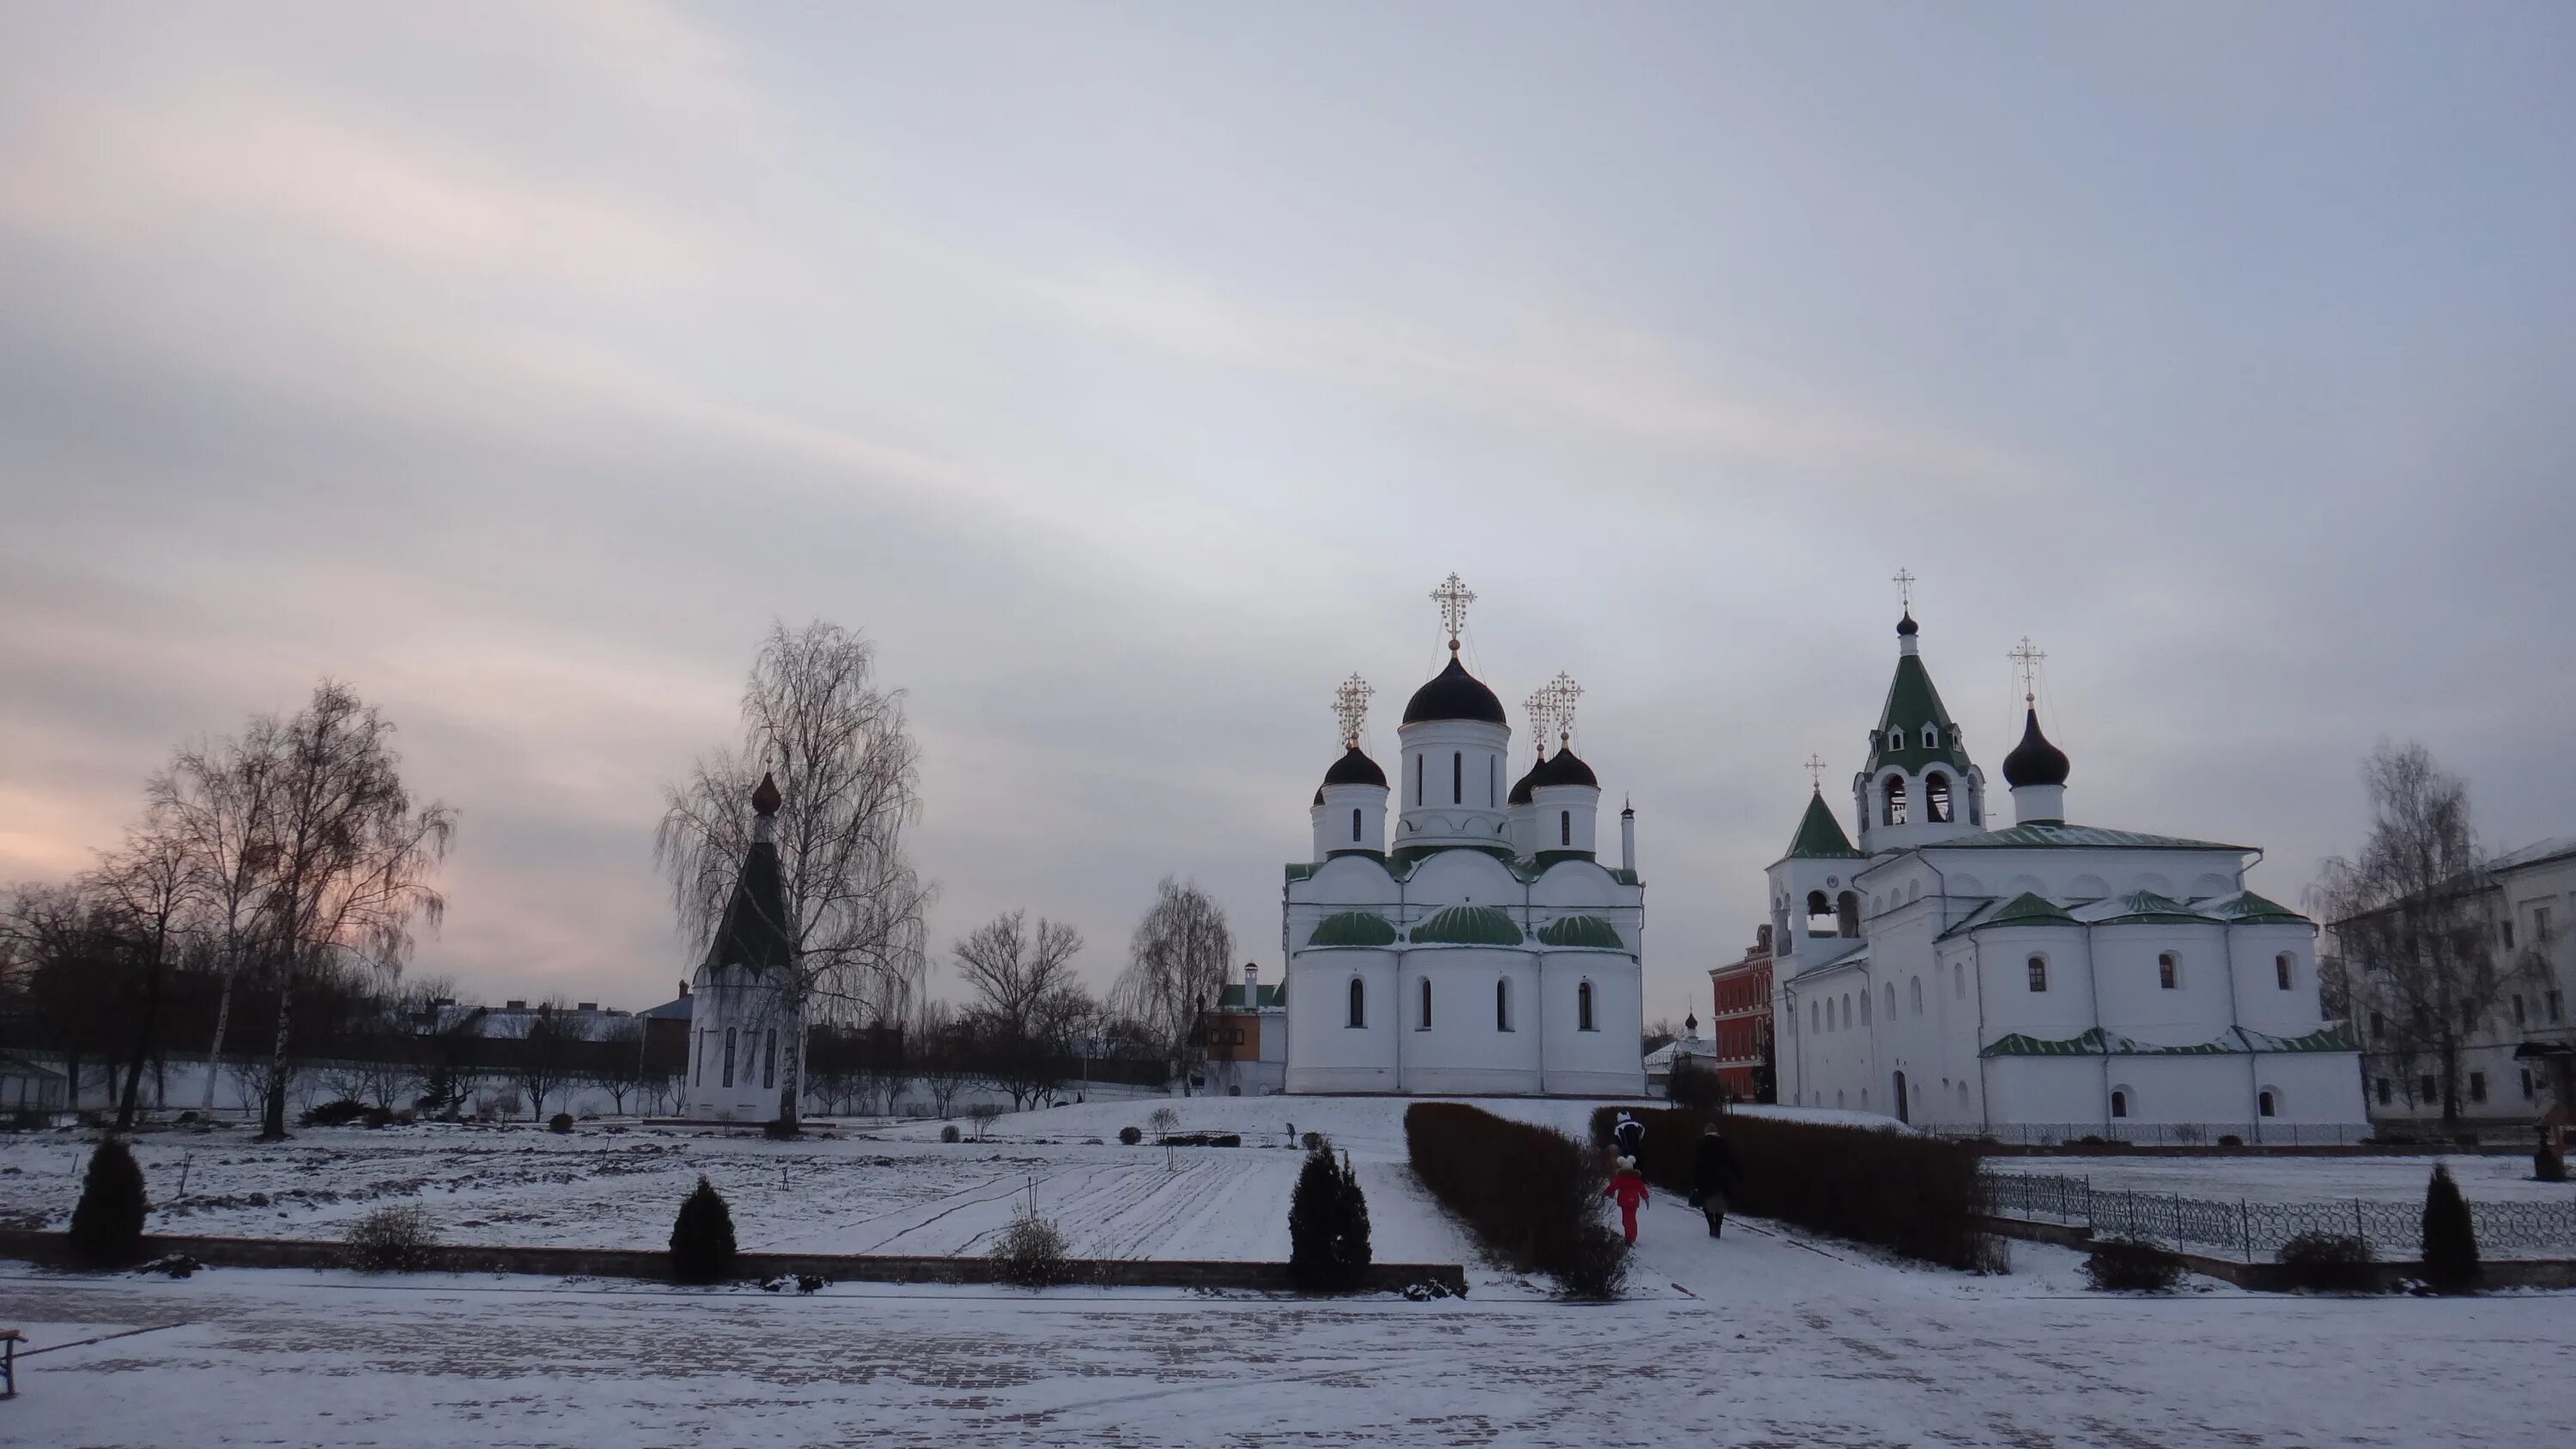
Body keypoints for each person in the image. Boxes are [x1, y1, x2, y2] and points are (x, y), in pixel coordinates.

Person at [1691, 1125, 1741, 1238]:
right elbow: (1732, 1161)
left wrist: (1695, 1183)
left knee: (1706, 1203)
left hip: (1706, 1179)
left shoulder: (1702, 1144)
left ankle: (1711, 1225)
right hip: (1722, 1179)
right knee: (1720, 1205)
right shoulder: (1724, 1144)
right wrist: (1737, 1176)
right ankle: (1718, 1227)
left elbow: (1698, 1165)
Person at [1603, 1155, 1649, 1244]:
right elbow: (1642, 1189)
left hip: (1625, 1202)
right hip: (1634, 1202)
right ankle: (1631, 1237)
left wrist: (1606, 1193)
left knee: (1626, 1220)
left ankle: (1629, 1238)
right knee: (1632, 1219)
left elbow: (1613, 1187)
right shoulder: (1636, 1179)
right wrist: (1646, 1198)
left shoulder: (1620, 1178)